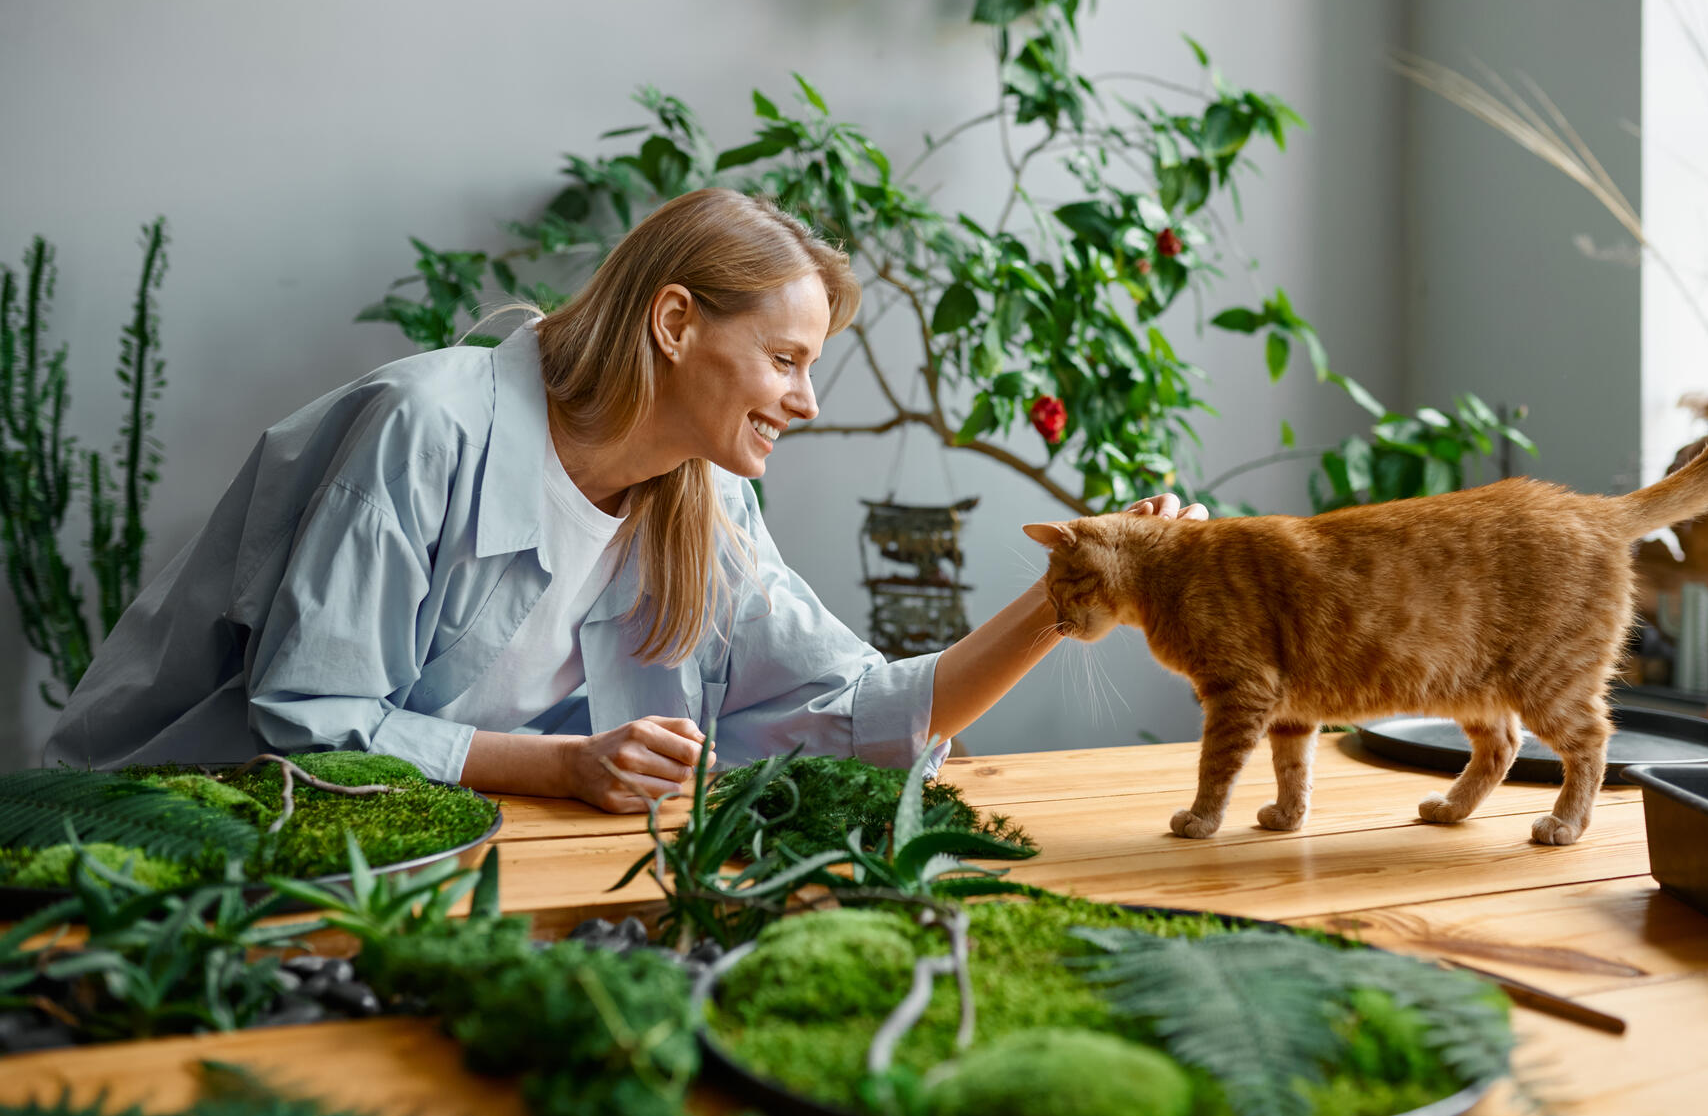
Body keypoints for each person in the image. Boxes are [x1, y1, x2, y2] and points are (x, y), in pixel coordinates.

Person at [43, 189, 1206, 812]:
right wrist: (559, 768)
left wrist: (1080, 586)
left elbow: (865, 714)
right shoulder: (428, 427)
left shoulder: (703, 503)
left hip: (452, 868)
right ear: (676, 322)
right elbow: (310, 720)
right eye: (790, 359)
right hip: (177, 847)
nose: (806, 400)